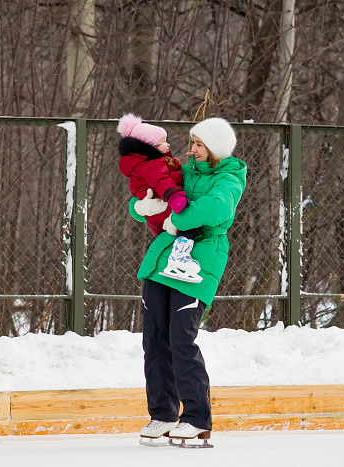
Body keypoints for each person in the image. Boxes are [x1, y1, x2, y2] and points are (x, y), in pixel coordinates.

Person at [129, 117, 247, 445]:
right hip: (164, 258)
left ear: (215, 149)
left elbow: (217, 206)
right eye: (192, 142)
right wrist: (142, 206)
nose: (191, 149)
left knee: (181, 339)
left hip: (200, 261)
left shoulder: (230, 175)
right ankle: (162, 414)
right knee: (154, 339)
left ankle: (196, 417)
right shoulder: (185, 168)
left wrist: (175, 218)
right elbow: (151, 184)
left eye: (198, 144)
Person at [118, 114, 202, 283]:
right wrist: (175, 197)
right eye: (163, 142)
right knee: (190, 224)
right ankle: (180, 255)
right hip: (164, 210)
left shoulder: (148, 163)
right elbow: (162, 182)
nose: (168, 144)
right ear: (152, 147)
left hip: (156, 214)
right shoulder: (151, 165)